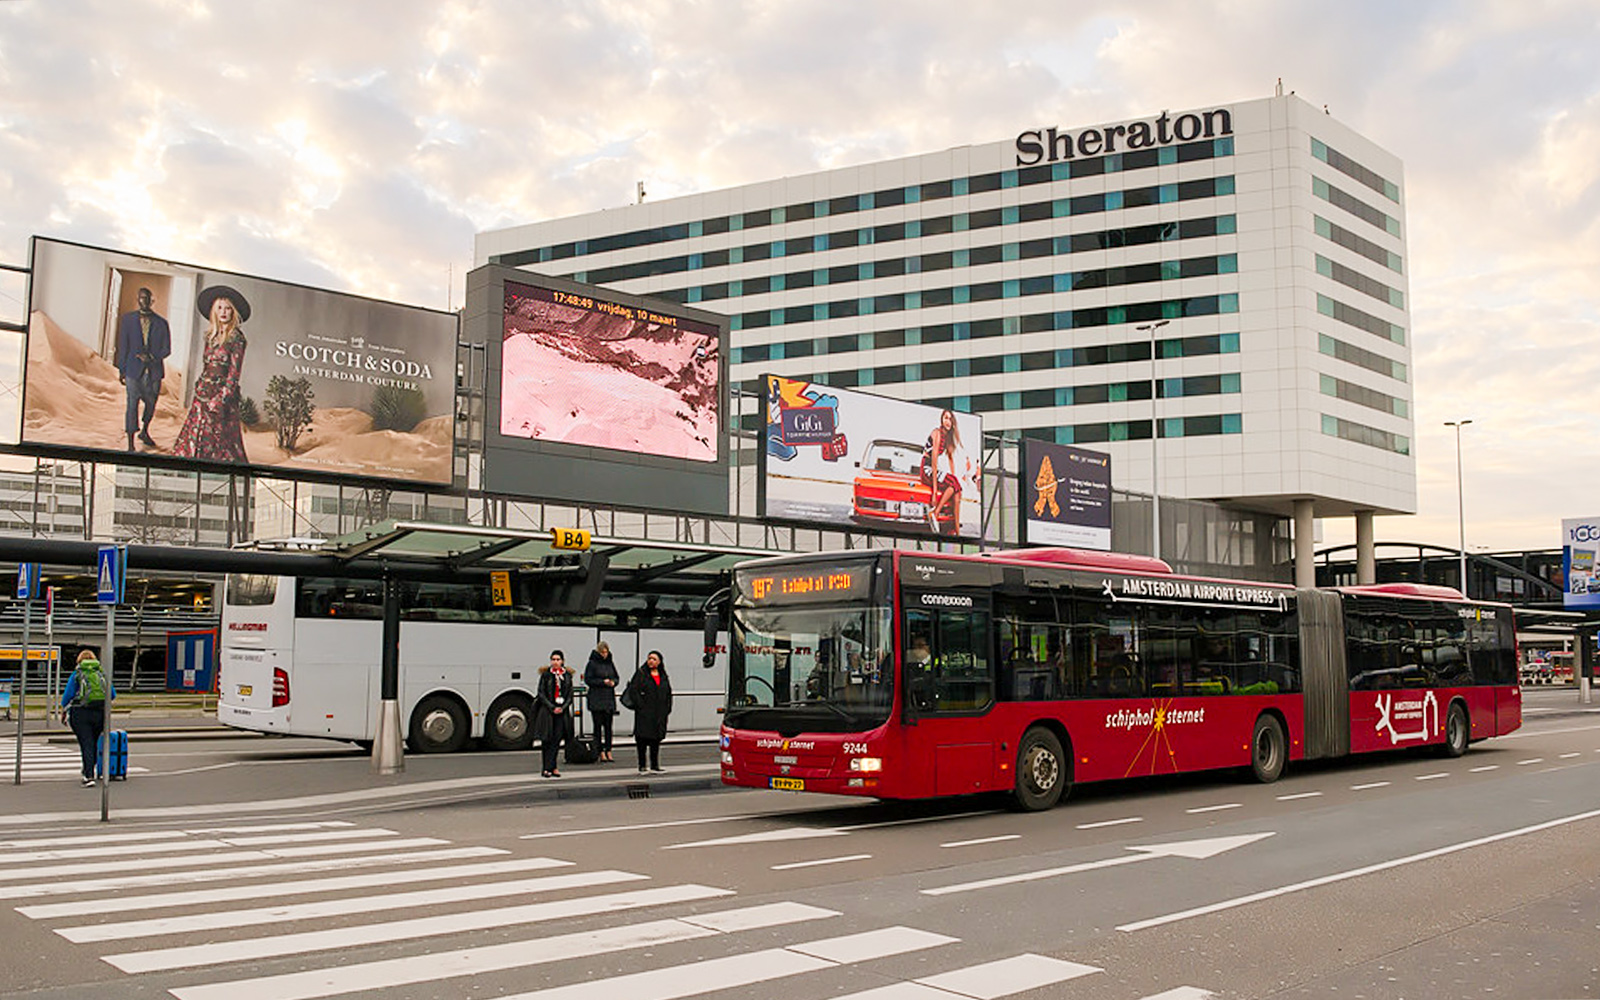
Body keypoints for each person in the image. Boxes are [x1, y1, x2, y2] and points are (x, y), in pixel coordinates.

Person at [172, 285, 249, 463]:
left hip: (222, 400)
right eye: (220, 307)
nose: (223, 312)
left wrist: (220, 400)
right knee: (192, 441)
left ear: (233, 312)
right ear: (214, 310)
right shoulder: (210, 336)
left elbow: (234, 376)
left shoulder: (237, 338)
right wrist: (199, 389)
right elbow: (205, 366)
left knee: (220, 445)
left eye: (228, 308)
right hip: (202, 395)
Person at [113, 287, 171, 452]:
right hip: (133, 370)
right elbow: (123, 346)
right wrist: (122, 370)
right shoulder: (128, 320)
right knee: (132, 404)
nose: (143, 301)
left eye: (146, 298)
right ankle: (131, 442)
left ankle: (145, 431)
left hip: (153, 372)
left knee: (151, 404)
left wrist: (152, 357)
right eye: (141, 298)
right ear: (137, 299)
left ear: (152, 300)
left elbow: (167, 349)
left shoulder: (161, 323)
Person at [58, 648, 115, 787]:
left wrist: (64, 710)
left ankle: (88, 775)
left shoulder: (77, 674)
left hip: (80, 713)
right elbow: (112, 694)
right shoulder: (101, 673)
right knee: (94, 742)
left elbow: (67, 696)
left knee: (86, 743)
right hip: (100, 713)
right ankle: (89, 769)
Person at [624, 650, 672, 774]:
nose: (651, 661)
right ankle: (642, 766)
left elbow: (668, 693)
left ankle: (655, 765)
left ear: (659, 662)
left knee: (655, 740)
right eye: (649, 658)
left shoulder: (663, 676)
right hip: (644, 713)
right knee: (642, 740)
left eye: (654, 659)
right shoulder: (641, 674)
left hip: (659, 713)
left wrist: (667, 709)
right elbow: (634, 691)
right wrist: (641, 705)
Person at [924, 408, 971, 534]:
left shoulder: (947, 438)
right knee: (955, 484)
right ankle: (935, 512)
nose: (948, 421)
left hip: (933, 469)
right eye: (945, 418)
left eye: (950, 419)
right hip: (926, 469)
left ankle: (956, 531)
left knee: (957, 490)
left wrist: (954, 478)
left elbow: (950, 459)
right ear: (941, 420)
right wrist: (934, 492)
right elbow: (933, 462)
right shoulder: (937, 433)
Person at [533, 650, 574, 778]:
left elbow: (570, 695)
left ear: (562, 661)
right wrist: (552, 707)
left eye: (558, 659)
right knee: (547, 740)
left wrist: (563, 707)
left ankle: (554, 766)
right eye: (553, 659)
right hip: (548, 712)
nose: (555, 662)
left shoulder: (566, 676)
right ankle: (546, 768)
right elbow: (541, 693)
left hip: (562, 712)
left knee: (557, 740)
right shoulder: (546, 675)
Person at [583, 641, 620, 763]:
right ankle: (600, 751)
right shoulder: (592, 663)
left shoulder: (610, 663)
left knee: (608, 727)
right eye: (602, 652)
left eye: (606, 652)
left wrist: (613, 682)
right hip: (597, 699)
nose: (605, 654)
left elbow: (616, 677)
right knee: (597, 727)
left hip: (608, 698)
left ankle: (608, 749)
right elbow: (588, 679)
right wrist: (602, 682)